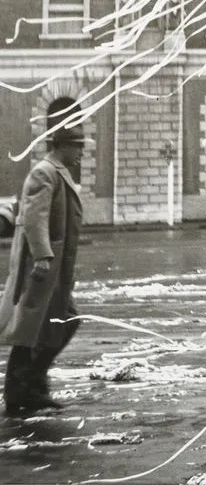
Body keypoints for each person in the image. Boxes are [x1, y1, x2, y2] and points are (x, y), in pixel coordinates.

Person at [1, 123, 86, 418]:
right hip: (42, 269)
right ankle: (20, 393)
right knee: (32, 329)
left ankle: (31, 387)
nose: (82, 153)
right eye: (78, 146)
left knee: (52, 324)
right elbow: (35, 218)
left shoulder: (55, 171)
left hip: (54, 269)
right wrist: (42, 256)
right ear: (61, 145)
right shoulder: (44, 172)